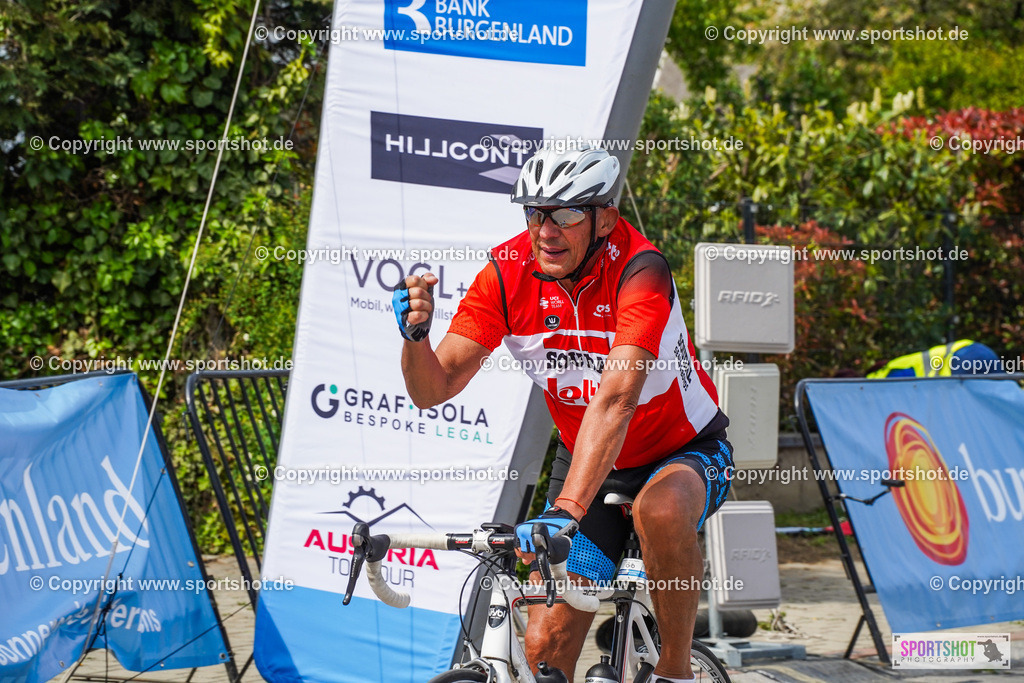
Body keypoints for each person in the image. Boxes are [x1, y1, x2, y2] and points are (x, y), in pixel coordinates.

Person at [393, 145, 733, 683]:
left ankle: (675, 673)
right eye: (535, 212)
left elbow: (618, 398)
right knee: (545, 647)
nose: (546, 230)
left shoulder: (642, 271)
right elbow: (434, 389)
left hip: (682, 452)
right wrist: (416, 339)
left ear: (606, 220)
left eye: (567, 214)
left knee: (662, 511)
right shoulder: (506, 274)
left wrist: (567, 509)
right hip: (590, 465)